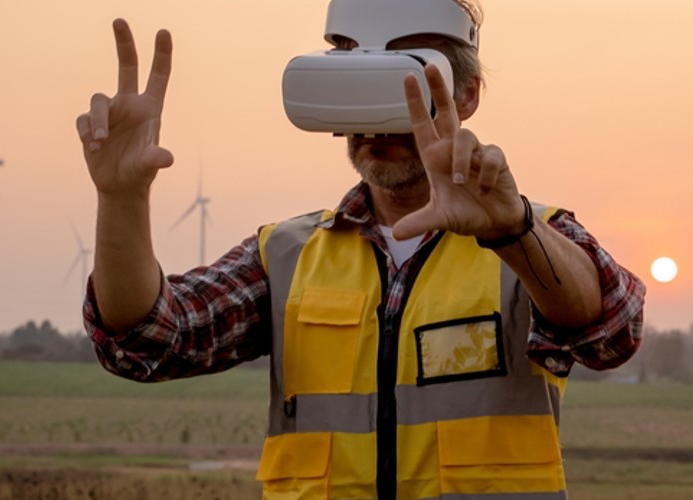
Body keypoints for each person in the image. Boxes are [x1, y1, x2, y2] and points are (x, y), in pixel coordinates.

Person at [75, 2, 645, 499]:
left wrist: (512, 231)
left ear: (466, 93)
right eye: (355, 77)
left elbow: (611, 330)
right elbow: (150, 339)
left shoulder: (527, 234)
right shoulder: (288, 254)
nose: (378, 119)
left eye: (404, 82)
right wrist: (121, 198)